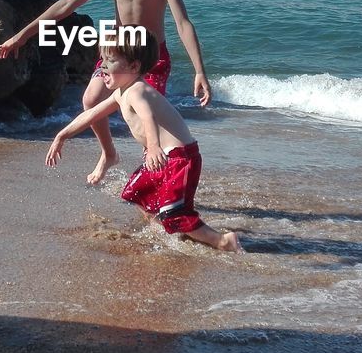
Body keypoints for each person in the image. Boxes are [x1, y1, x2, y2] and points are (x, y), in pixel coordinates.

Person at [0, 0, 212, 185]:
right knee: (90, 99)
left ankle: (159, 183)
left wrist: (199, 70)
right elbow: (68, 5)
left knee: (145, 125)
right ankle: (109, 154)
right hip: (117, 55)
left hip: (151, 59)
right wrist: (22, 36)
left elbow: (183, 23)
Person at [46, 35, 241, 252]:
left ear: (134, 65)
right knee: (136, 192)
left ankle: (222, 241)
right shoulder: (121, 93)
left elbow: (148, 116)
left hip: (179, 158)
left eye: (109, 61)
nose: (102, 66)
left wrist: (153, 147)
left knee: (174, 212)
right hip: (163, 156)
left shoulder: (137, 91)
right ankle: (166, 230)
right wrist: (61, 136)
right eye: (102, 59)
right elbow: (91, 113)